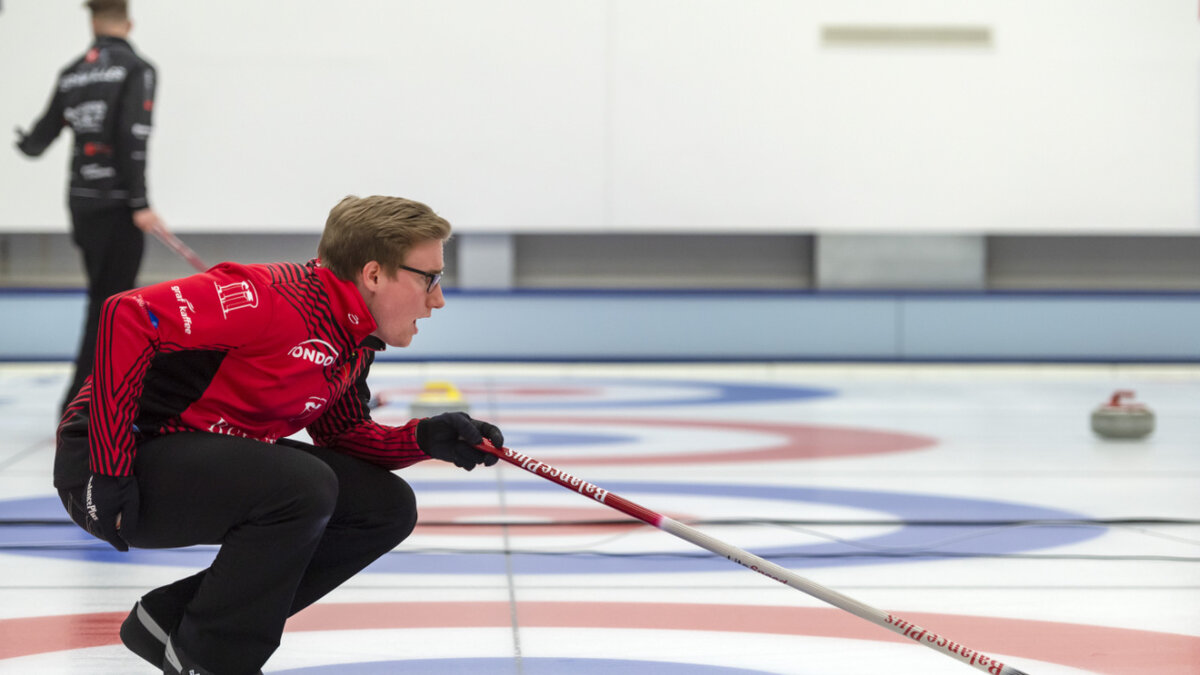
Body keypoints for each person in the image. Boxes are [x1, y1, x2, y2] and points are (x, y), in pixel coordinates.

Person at [54, 195, 505, 674]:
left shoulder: (352, 340)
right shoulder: (271, 296)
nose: (437, 298)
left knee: (384, 507)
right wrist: (109, 470)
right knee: (302, 484)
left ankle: (171, 620)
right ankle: (212, 662)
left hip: (194, 461)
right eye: (429, 278)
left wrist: (423, 439)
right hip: (112, 466)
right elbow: (128, 313)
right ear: (374, 274)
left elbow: (343, 434)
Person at [14, 0, 169, 414]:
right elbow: (132, 136)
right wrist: (140, 202)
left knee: (105, 300)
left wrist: (24, 142)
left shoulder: (72, 72)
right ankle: (85, 406)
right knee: (114, 305)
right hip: (119, 206)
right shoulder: (138, 69)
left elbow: (38, 140)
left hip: (81, 204)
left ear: (94, 23)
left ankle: (89, 402)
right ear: (128, 23)